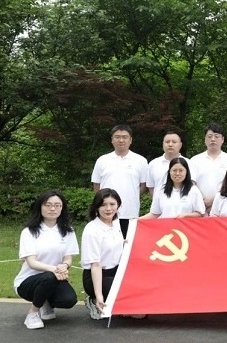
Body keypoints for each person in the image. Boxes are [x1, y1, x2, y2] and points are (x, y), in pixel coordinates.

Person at [14, 190, 79, 330]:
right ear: (40, 207)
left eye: (57, 205)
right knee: (49, 277)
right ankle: (33, 313)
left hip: (55, 277)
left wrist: (64, 266)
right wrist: (54, 269)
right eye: (48, 205)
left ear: (62, 208)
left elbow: (68, 258)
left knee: (69, 300)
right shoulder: (29, 231)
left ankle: (45, 302)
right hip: (28, 282)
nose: (52, 208)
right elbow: (32, 262)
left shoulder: (68, 231)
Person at [91, 124, 148, 237]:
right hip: (107, 212)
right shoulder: (102, 160)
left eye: (124, 137)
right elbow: (96, 185)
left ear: (130, 140)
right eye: (117, 137)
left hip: (130, 212)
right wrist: (103, 202)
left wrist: (131, 195)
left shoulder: (140, 161)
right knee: (106, 242)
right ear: (112, 140)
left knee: (127, 243)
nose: (121, 140)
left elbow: (144, 185)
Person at [81, 188, 124, 320]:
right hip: (97, 275)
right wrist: (99, 295)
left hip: (116, 271)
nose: (108, 208)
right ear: (97, 207)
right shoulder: (92, 230)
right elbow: (95, 265)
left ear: (118, 205)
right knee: (122, 294)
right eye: (103, 205)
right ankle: (94, 300)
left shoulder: (117, 224)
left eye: (112, 204)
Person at [190, 123, 227, 215]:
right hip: (200, 209)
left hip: (225, 206)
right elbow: (191, 184)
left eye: (216, 136)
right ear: (205, 139)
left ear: (222, 139)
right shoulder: (195, 160)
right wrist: (201, 201)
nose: (213, 139)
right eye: (209, 136)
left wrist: (214, 200)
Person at [146, 131, 192, 196]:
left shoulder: (189, 163)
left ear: (180, 145)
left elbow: (192, 185)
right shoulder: (153, 164)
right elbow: (151, 187)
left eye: (174, 142)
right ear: (163, 144)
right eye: (167, 142)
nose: (170, 144)